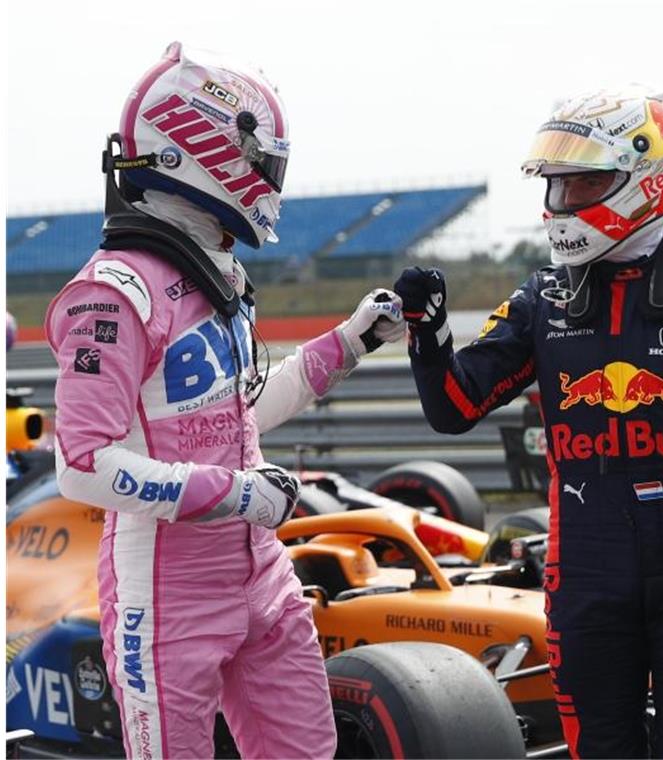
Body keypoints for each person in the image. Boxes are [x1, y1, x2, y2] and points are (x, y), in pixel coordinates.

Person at [47, 42, 404, 759]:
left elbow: (232, 417)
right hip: (166, 590)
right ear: (200, 146)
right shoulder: (115, 292)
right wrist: (239, 496)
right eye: (261, 159)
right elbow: (81, 466)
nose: (270, 178)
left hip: (261, 574)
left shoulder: (214, 270)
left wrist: (355, 341)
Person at [395, 87, 663, 758]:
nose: (564, 199)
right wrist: (428, 335)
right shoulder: (542, 296)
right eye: (558, 181)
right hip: (583, 567)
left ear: (647, 176)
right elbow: (453, 408)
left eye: (584, 179)